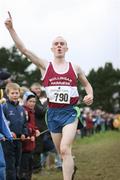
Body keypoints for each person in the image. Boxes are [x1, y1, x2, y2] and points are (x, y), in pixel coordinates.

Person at [4, 12, 93, 180]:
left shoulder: (75, 67)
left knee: (66, 149)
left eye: (62, 44)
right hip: (52, 114)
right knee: (61, 151)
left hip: (70, 113)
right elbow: (24, 50)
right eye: (56, 44)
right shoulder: (45, 66)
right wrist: (11, 29)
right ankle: (70, 169)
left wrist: (90, 95)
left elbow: (87, 85)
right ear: (52, 48)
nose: (59, 46)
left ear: (66, 48)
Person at [2, 82, 28, 180]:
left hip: (19, 140)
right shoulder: (4, 107)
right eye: (12, 93)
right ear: (7, 94)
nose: (15, 95)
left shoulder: (21, 109)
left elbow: (25, 123)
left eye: (16, 93)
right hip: (8, 140)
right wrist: (8, 133)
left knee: (17, 163)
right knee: (10, 165)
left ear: (19, 94)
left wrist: (24, 133)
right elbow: (2, 123)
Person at [19, 91, 40, 180]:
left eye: (34, 102)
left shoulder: (32, 112)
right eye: (30, 101)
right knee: (24, 166)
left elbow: (33, 124)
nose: (32, 103)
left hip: (31, 144)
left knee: (30, 165)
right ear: (25, 101)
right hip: (24, 144)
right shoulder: (23, 111)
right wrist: (31, 132)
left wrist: (36, 130)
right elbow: (24, 125)